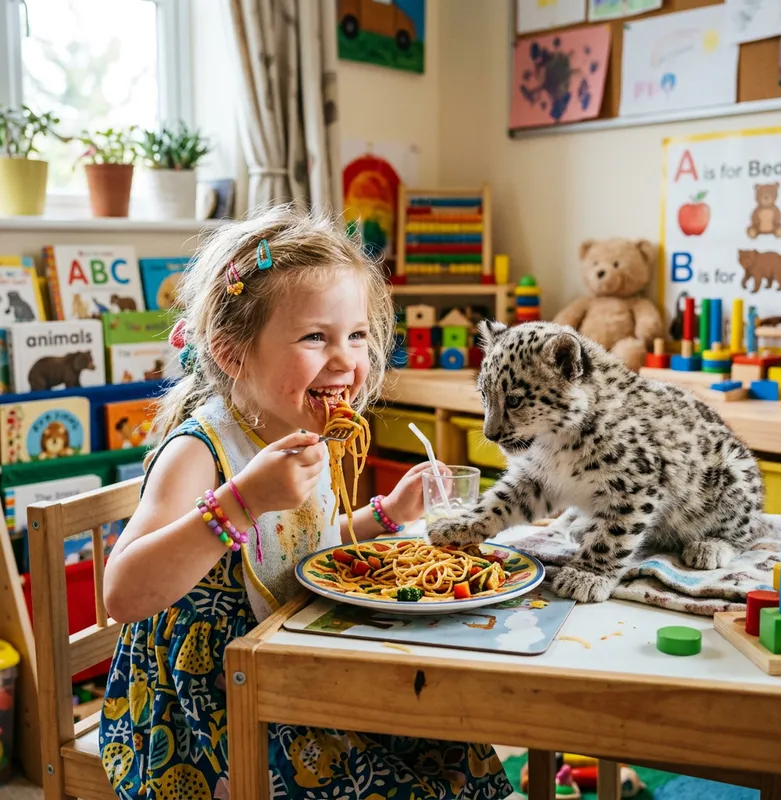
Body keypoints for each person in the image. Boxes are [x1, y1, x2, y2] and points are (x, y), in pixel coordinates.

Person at [100, 205, 513, 799]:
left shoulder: (305, 431)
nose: (345, 360)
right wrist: (240, 503)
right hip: (209, 704)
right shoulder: (200, 450)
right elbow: (123, 593)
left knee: (452, 744)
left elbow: (305, 546)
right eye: (315, 337)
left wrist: (388, 513)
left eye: (358, 336)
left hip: (297, 655)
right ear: (231, 352)